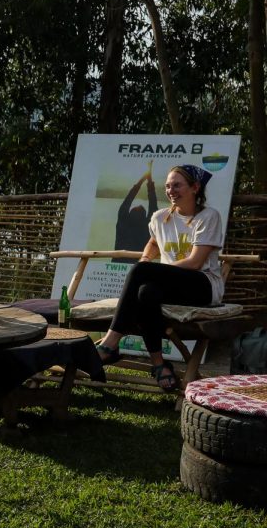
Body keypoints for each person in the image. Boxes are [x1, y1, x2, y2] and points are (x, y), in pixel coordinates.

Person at [94, 164, 224, 392]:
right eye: (167, 186)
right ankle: (159, 365)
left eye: (177, 185)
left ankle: (110, 342)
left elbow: (195, 263)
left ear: (195, 188)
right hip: (170, 286)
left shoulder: (208, 216)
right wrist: (147, 257)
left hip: (203, 285)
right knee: (146, 293)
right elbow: (154, 242)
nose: (171, 190)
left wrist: (152, 270)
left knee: (141, 271)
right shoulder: (160, 217)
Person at [113, 162, 158, 261]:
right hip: (138, 264)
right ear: (144, 216)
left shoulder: (123, 222)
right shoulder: (147, 225)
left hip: (118, 261)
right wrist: (149, 181)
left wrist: (141, 180)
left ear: (129, 213)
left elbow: (128, 200)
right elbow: (153, 204)